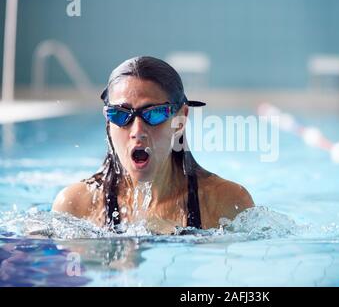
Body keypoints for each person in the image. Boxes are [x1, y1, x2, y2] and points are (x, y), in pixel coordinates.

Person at [52, 56, 254, 234]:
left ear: (180, 120)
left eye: (154, 114)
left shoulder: (227, 203)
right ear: (108, 122)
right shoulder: (75, 206)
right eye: (120, 115)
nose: (137, 131)